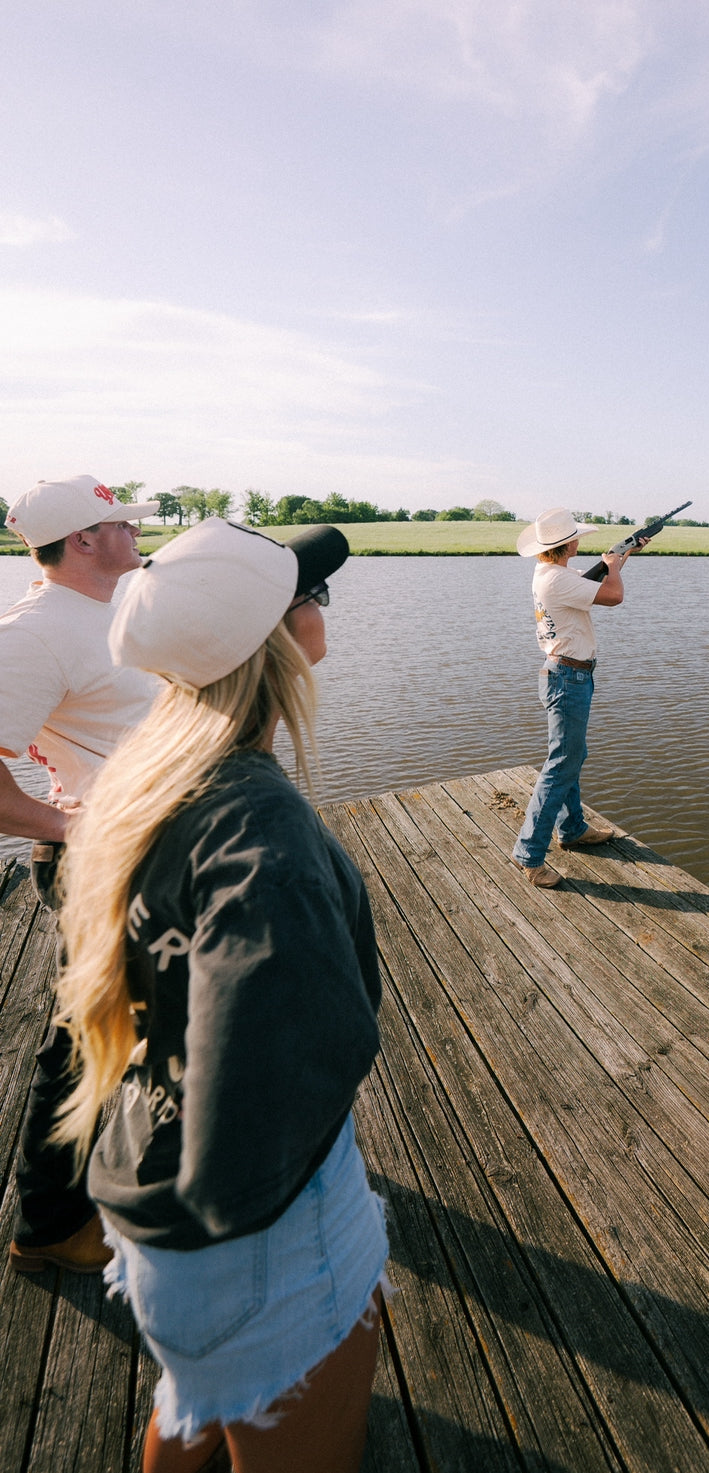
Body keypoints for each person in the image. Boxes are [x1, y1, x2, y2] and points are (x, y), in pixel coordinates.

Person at [51, 517, 388, 1473]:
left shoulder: (149, 777)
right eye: (309, 595)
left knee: (190, 1400)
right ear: (276, 641)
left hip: (150, 1205)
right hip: (266, 1245)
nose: (323, 606)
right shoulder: (263, 840)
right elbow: (257, 1121)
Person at [2, 474, 159, 1275]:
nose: (136, 532)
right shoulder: (31, 633)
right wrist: (71, 826)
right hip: (100, 864)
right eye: (121, 522)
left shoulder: (121, 607)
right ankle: (47, 1223)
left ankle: (152, 1168)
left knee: (155, 1023)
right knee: (80, 1041)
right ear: (86, 540)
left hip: (159, 852)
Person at [511, 508, 645, 888]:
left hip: (565, 674)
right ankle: (530, 855)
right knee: (561, 764)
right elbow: (614, 595)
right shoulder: (558, 581)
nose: (579, 541)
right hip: (568, 677)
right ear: (567, 544)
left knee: (570, 755)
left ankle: (571, 828)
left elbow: (595, 580)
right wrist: (613, 567)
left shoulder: (551, 574)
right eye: (575, 537)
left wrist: (622, 556)